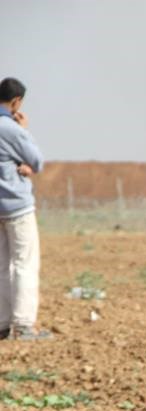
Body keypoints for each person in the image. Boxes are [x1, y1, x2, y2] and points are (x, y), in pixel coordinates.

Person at [0, 77, 49, 341]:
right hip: (16, 206)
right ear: (16, 101)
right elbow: (37, 162)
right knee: (24, 264)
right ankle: (22, 326)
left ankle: (3, 323)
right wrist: (24, 129)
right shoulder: (12, 129)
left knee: (1, 265)